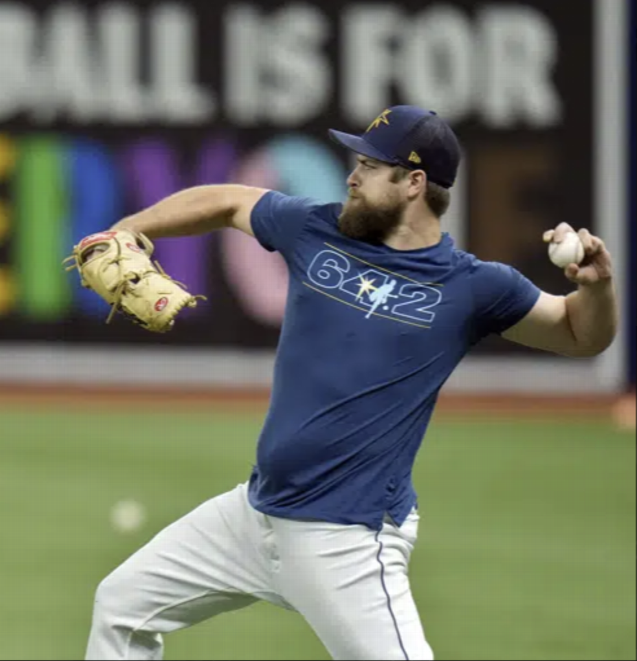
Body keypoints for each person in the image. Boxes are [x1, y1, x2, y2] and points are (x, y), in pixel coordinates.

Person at [82, 105, 619, 661]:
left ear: (413, 183)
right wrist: (128, 230)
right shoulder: (316, 228)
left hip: (346, 540)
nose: (352, 176)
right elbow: (227, 200)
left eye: (369, 165)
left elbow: (581, 335)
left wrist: (597, 288)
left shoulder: (474, 286)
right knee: (121, 605)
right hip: (253, 517)